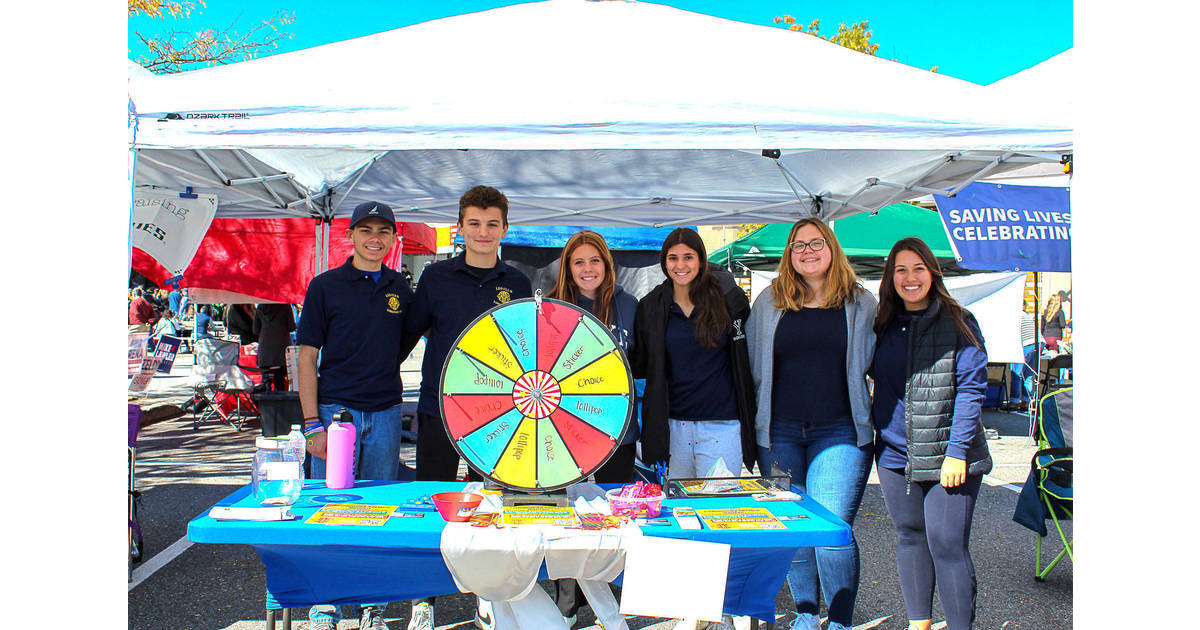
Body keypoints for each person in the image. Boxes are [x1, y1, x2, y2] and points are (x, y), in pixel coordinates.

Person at [403, 185, 533, 630]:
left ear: (505, 229)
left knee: (490, 508)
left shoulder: (517, 283)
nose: (482, 232)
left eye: (491, 224)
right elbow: (408, 334)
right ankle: (423, 600)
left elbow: (526, 347)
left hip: (499, 416)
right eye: (474, 223)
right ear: (459, 228)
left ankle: (487, 596)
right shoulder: (435, 277)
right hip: (439, 409)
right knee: (432, 504)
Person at [745, 218, 877, 630]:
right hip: (779, 432)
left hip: (840, 431)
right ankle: (806, 613)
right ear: (789, 254)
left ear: (831, 247)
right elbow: (751, 365)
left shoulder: (861, 303)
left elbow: (881, 360)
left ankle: (839, 621)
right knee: (793, 526)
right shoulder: (770, 301)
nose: (807, 251)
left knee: (832, 529)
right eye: (798, 245)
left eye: (816, 243)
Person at [295, 201, 421, 630]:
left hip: (386, 411)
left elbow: (401, 344)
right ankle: (324, 607)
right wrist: (312, 424)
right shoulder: (325, 286)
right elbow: (306, 357)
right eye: (365, 230)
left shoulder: (400, 288)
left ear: (393, 238)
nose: (374, 239)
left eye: (383, 231)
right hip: (335, 415)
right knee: (328, 509)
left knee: (380, 509)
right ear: (349, 235)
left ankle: (373, 606)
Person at [870, 237, 991, 630]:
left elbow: (972, 388)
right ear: (891, 278)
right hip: (894, 455)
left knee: (947, 544)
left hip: (946, 455)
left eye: (918, 268)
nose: (910, 278)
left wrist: (957, 451)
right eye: (901, 270)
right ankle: (918, 623)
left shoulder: (958, 321)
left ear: (932, 272)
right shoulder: (884, 323)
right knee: (909, 536)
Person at [545, 230, 640, 626]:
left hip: (617, 433)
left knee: (613, 519)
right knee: (567, 520)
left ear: (607, 264)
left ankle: (608, 607)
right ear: (568, 267)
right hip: (563, 435)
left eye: (595, 261)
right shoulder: (551, 308)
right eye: (579, 262)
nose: (588, 269)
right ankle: (567, 605)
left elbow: (642, 365)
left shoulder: (628, 305)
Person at [631, 227, 756, 481]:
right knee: (678, 502)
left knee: (717, 502)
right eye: (673, 258)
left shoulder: (728, 299)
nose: (680, 265)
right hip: (673, 427)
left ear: (700, 259)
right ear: (664, 262)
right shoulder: (651, 305)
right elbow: (641, 364)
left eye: (688, 257)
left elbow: (746, 352)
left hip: (721, 424)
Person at [253, 303, 296, 391]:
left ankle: (266, 397)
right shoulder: (286, 306)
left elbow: (255, 329)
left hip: (265, 350)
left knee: (266, 382)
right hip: (281, 349)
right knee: (280, 382)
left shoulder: (261, 306)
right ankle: (279, 398)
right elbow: (292, 327)